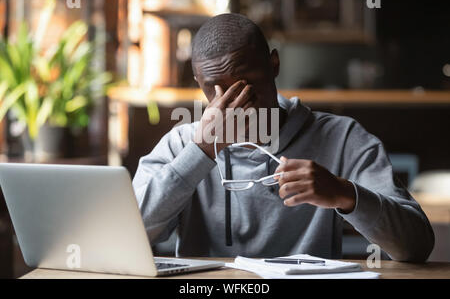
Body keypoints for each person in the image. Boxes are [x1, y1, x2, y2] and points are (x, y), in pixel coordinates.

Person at [132, 13, 434, 261]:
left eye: (247, 83)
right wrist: (201, 151)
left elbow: (417, 246)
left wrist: (345, 194)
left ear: (274, 65)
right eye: (215, 89)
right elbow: (130, 234)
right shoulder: (181, 144)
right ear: (198, 82)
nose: (236, 102)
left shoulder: (342, 138)